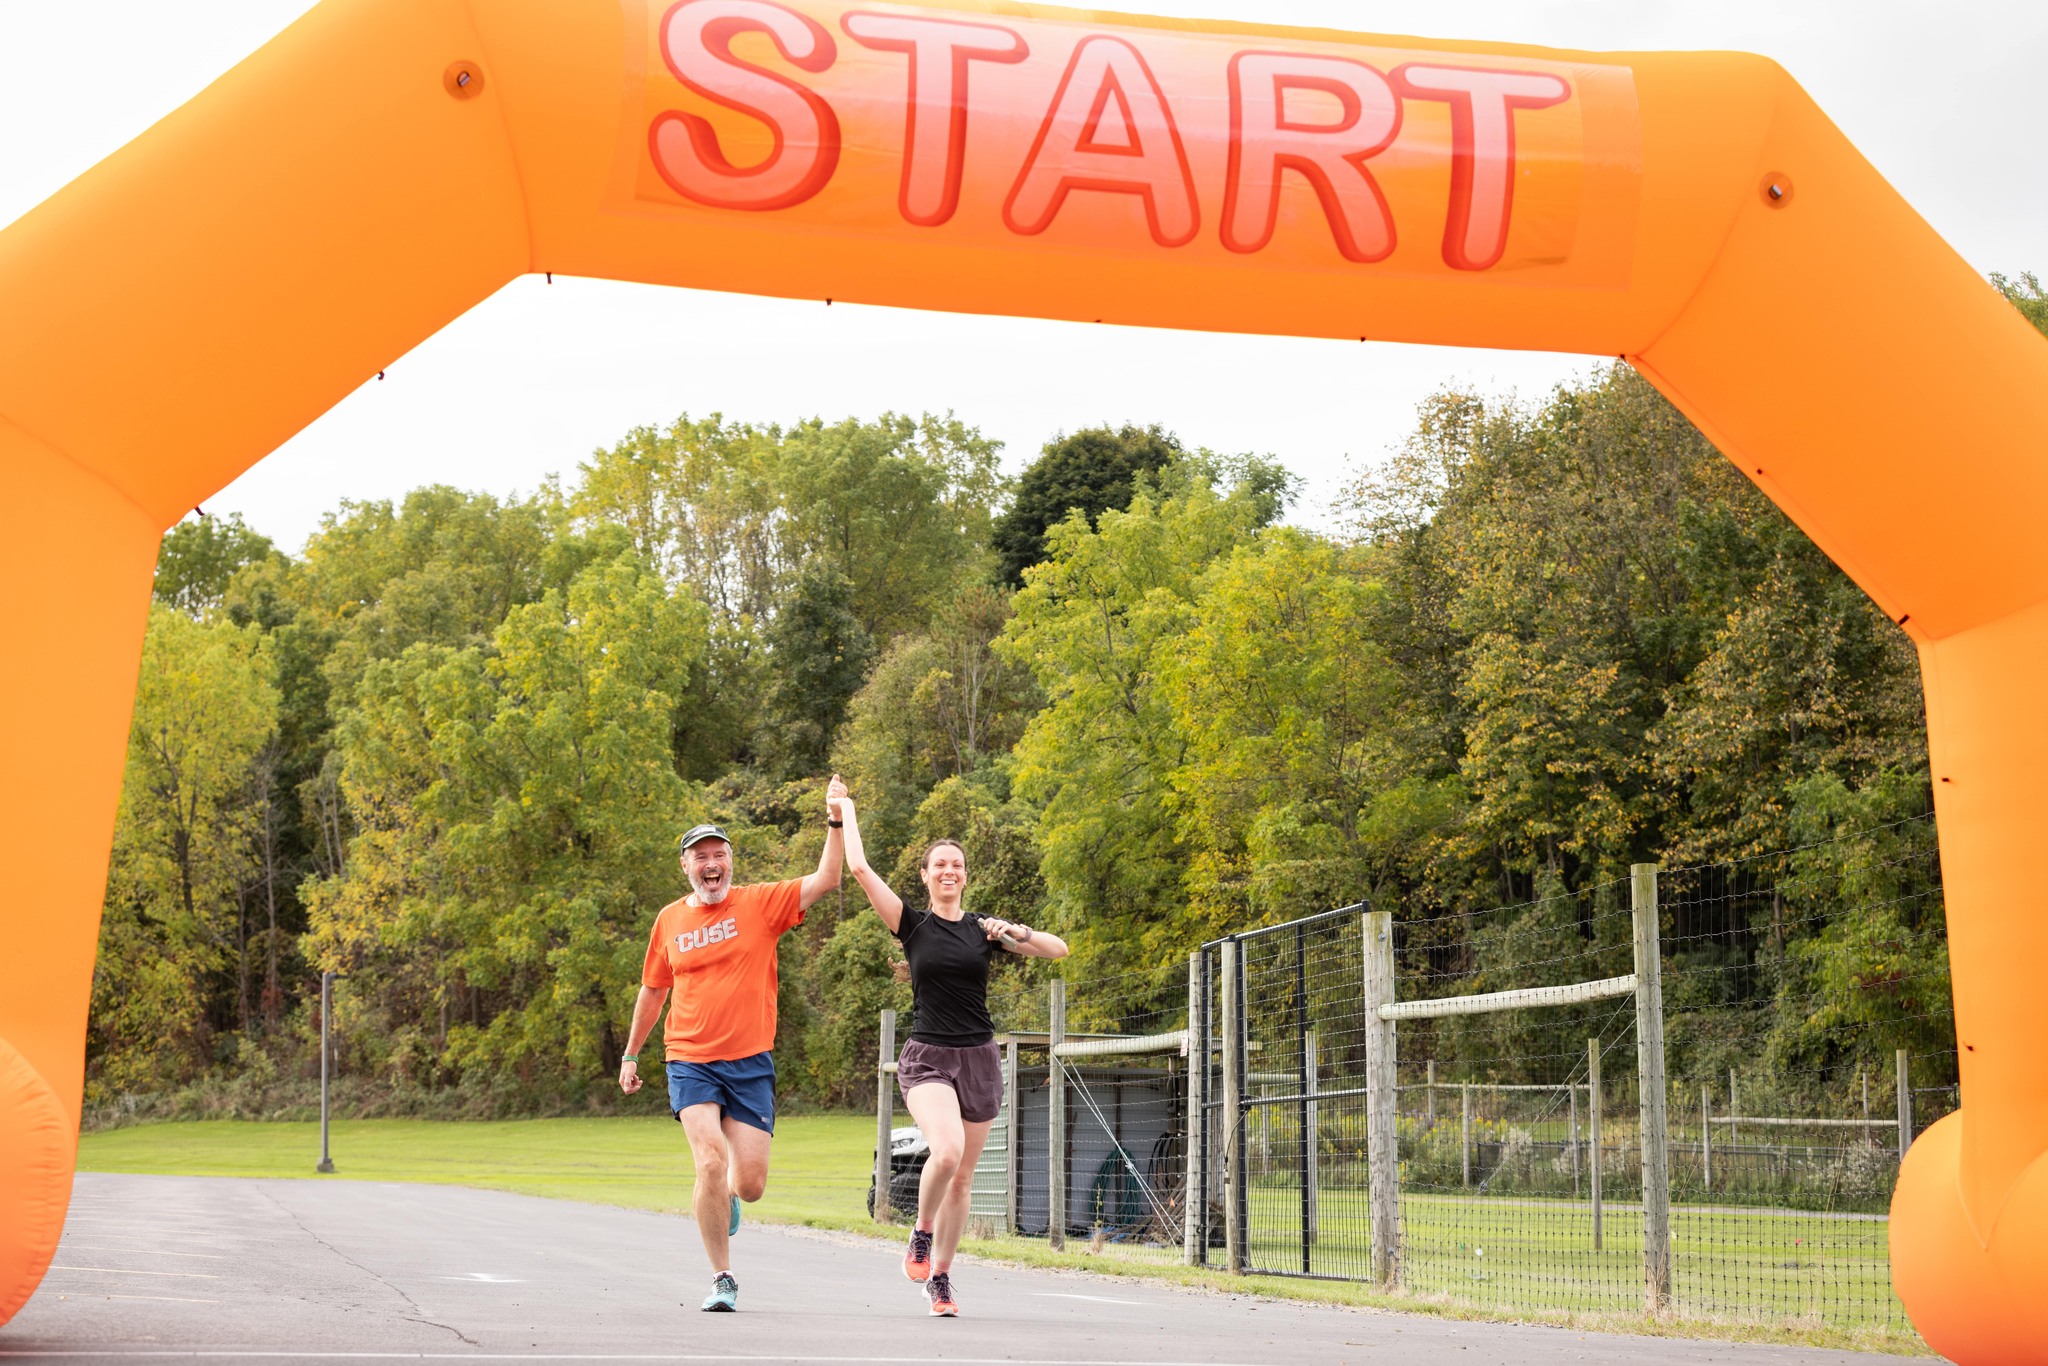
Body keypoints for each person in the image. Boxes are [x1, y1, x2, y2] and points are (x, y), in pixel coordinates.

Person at [833, 786, 1068, 1318]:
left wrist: (1014, 932)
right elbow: (862, 869)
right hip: (930, 1058)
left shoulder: (984, 930)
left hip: (980, 1059)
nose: (948, 871)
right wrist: (843, 808)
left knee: (963, 1178)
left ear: (964, 875)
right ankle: (920, 1232)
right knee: (946, 1152)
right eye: (939, 864)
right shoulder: (911, 925)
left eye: (956, 865)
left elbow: (1058, 949)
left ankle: (940, 1278)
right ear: (925, 874)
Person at [617, 780, 847, 1313]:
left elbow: (829, 878)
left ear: (731, 862)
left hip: (750, 1062)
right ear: (686, 867)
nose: (711, 863)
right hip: (689, 1058)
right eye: (701, 857)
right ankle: (722, 1277)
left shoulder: (760, 905)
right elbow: (653, 990)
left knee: (751, 1182)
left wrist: (834, 820)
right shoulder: (669, 921)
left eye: (719, 854)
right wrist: (631, 1054)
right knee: (709, 1163)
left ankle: (732, 1200)